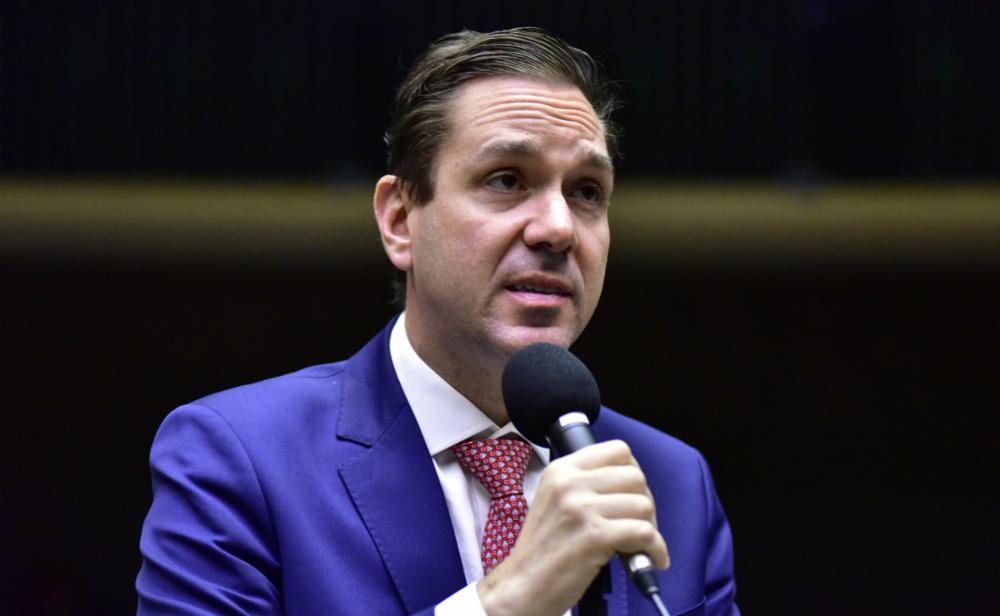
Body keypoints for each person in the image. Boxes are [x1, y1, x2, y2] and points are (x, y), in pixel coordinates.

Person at [136, 27, 739, 616]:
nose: (558, 228)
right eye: (506, 180)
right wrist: (504, 602)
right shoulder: (240, 456)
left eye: (586, 191)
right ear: (400, 220)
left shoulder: (672, 481)